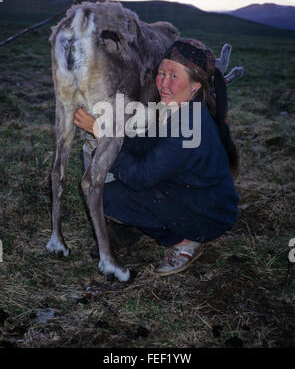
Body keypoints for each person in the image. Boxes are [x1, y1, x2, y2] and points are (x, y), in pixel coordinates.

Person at [73, 38, 239, 276]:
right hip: (197, 195)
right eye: (161, 73)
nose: (163, 82)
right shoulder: (176, 109)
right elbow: (144, 147)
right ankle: (139, 225)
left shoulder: (190, 124)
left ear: (196, 85)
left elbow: (140, 177)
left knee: (102, 195)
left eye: (174, 76)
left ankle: (183, 241)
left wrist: (103, 134)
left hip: (208, 215)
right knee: (112, 179)